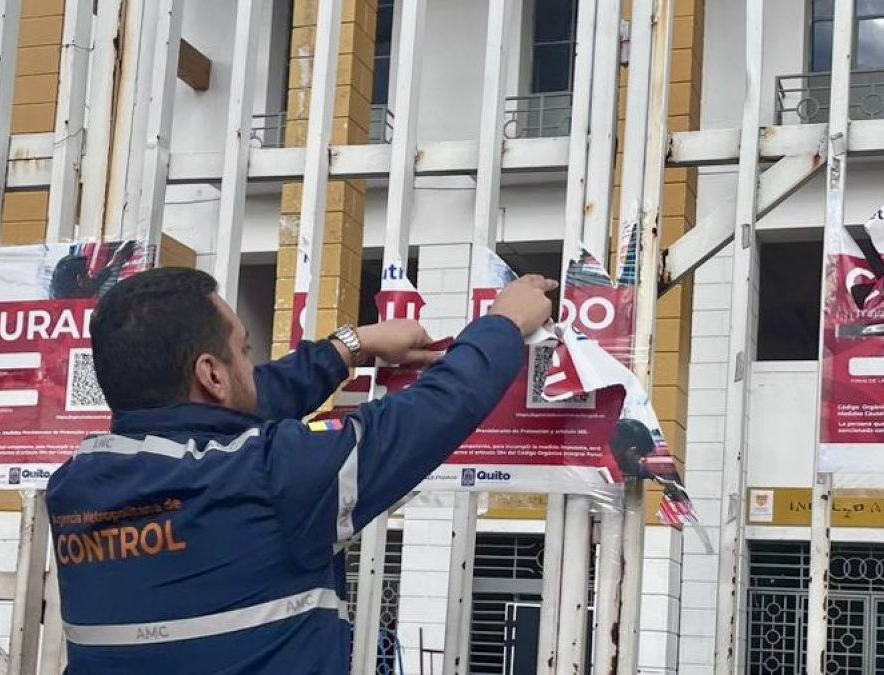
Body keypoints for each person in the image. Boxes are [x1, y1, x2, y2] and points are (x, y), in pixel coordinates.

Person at [45, 267, 557, 674]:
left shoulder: (74, 486)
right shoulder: (266, 480)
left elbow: (232, 406)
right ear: (211, 374)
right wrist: (505, 323)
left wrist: (353, 345)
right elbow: (430, 414)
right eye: (244, 351)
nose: (251, 365)